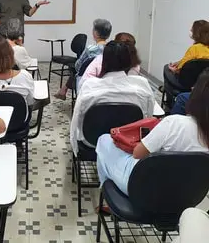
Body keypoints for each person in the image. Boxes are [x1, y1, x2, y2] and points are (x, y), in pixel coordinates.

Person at [96, 67, 209, 196]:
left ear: (197, 95)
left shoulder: (174, 124)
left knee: (104, 140)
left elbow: (137, 153)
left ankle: (108, 199)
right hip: (186, 195)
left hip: (144, 190)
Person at [70, 41, 155, 155]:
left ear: (104, 62)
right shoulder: (142, 86)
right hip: (129, 142)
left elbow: (78, 120)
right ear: (129, 62)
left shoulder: (89, 86)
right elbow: (148, 119)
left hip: (91, 142)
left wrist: (75, 147)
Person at [54, 18, 112, 100]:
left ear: (95, 33)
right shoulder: (112, 48)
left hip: (88, 81)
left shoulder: (90, 49)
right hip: (106, 79)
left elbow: (78, 66)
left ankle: (63, 90)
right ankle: (63, 90)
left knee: (75, 69)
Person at [163, 20, 209, 104]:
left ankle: (170, 101)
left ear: (197, 33)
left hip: (186, 83)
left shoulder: (194, 48)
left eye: (192, 30)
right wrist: (179, 62)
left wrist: (173, 70)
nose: (190, 31)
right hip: (203, 85)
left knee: (166, 68)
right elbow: (194, 62)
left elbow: (181, 69)